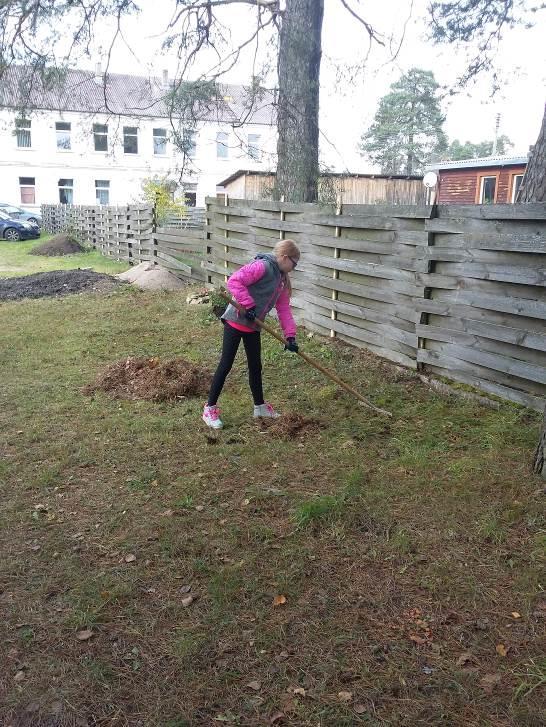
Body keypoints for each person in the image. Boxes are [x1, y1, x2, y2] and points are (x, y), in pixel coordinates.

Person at [202, 239, 300, 430]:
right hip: (236, 320)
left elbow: (284, 310)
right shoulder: (262, 266)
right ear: (285, 257)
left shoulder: (281, 280)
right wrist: (248, 305)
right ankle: (209, 408)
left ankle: (260, 407)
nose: (294, 268)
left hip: (253, 325)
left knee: (255, 366)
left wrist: (290, 336)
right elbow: (235, 280)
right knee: (226, 364)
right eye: (294, 264)